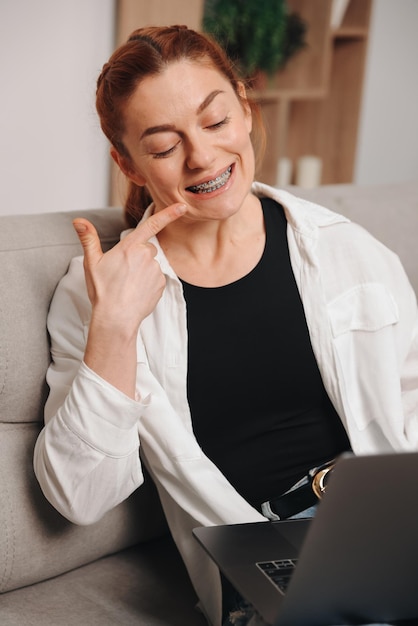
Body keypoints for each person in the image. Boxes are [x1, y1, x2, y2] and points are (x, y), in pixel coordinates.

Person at [33, 25, 418, 626]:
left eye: (216, 122)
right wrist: (115, 328)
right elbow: (79, 497)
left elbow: (410, 401)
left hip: (382, 521)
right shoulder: (98, 295)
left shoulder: (345, 250)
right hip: (265, 556)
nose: (204, 157)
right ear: (127, 163)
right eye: (163, 147)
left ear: (244, 106)